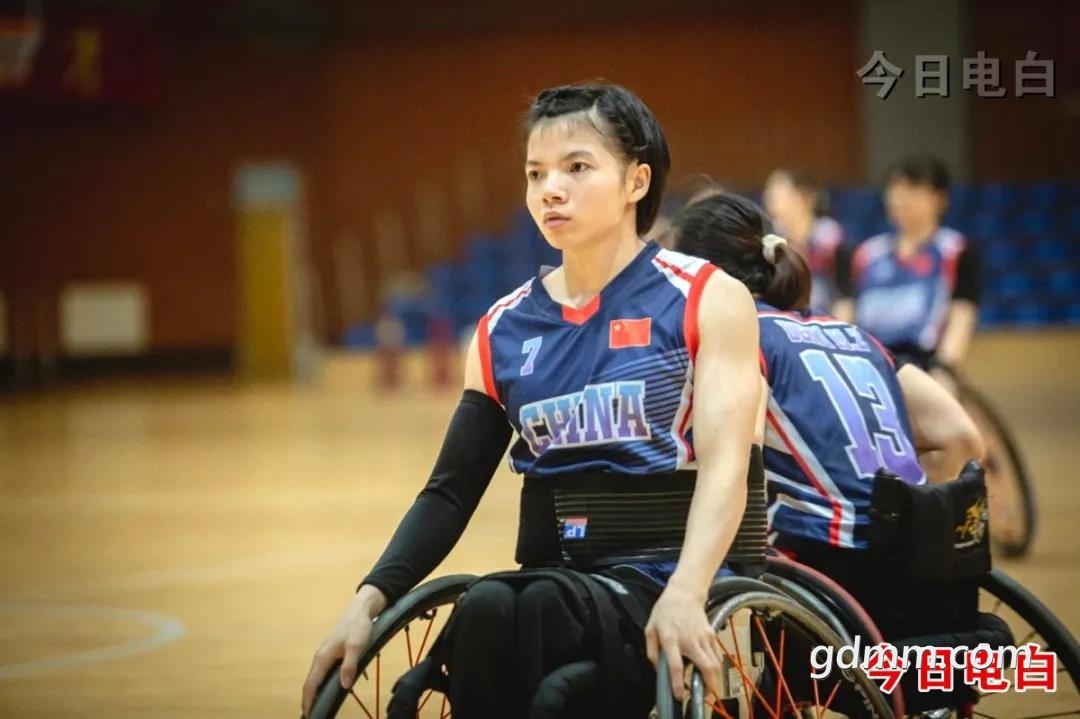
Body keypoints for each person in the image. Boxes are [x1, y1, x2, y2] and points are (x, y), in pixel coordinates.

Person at [301, 83, 763, 718]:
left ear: (636, 181)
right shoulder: (502, 328)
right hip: (556, 579)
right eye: (536, 173)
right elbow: (449, 492)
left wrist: (687, 589)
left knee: (537, 619)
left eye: (577, 167)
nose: (551, 189)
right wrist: (367, 601)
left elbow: (727, 467)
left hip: (666, 577)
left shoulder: (707, 298)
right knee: (487, 606)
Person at [671, 192, 1013, 712]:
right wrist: (909, 516)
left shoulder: (740, 339)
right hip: (924, 570)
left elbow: (740, 452)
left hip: (834, 575)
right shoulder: (856, 336)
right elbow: (961, 437)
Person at [834, 154, 982, 389]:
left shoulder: (955, 251)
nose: (901, 197)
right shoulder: (867, 253)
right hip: (867, 367)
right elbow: (847, 309)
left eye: (913, 188)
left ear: (939, 198)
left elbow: (961, 316)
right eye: (895, 188)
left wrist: (944, 370)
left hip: (925, 367)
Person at [763, 168, 849, 314]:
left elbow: (845, 290)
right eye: (769, 191)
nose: (769, 197)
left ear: (803, 196)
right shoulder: (771, 238)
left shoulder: (828, 235)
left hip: (826, 313)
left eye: (778, 191)